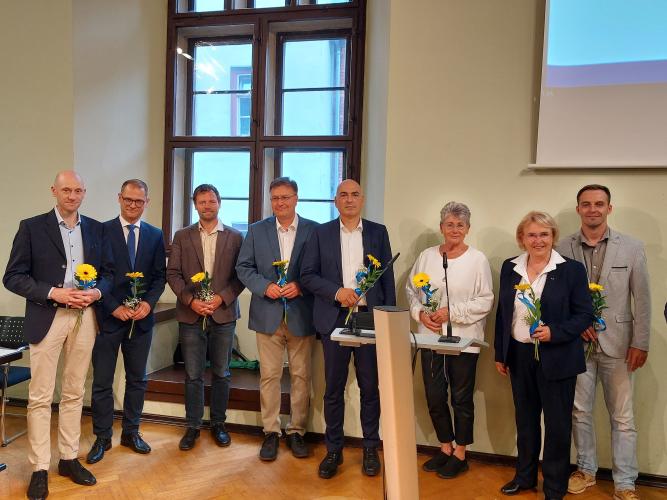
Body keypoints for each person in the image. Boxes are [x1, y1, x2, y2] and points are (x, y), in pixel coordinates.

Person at [3, 171, 106, 499]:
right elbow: (13, 277)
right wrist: (53, 292)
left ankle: (68, 458)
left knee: (75, 392)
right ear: (54, 191)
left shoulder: (96, 229)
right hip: (48, 316)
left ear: (84, 193)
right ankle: (38, 467)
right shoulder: (31, 227)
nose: (72, 196)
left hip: (85, 317)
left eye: (78, 190)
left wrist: (98, 294)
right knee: (40, 396)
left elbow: (111, 274)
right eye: (66, 190)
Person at [557, 185, 650, 500]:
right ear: (578, 208)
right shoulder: (561, 247)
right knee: (579, 412)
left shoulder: (632, 247)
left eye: (599, 204)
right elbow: (557, 298)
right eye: (586, 204)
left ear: (609, 208)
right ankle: (585, 470)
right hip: (577, 344)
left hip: (620, 346)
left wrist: (641, 342)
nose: (592, 209)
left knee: (623, 418)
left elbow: (643, 300)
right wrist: (574, 324)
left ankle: (625, 483)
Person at [301, 179, 396, 480]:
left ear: (362, 199)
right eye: (344, 195)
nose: (350, 199)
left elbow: (387, 280)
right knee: (333, 389)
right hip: (335, 318)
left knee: (370, 387)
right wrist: (336, 292)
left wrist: (387, 321)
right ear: (336, 201)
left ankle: (370, 447)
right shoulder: (321, 233)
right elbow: (307, 275)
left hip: (369, 320)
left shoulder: (378, 232)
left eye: (355, 194)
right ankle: (334, 450)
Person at [495, 211, 593, 500]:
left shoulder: (571, 270)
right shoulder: (509, 267)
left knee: (557, 424)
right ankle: (524, 477)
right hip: (519, 355)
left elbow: (584, 314)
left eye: (544, 234)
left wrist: (555, 332)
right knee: (525, 421)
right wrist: (501, 352)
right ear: (522, 238)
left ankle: (553, 486)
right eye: (532, 235)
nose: (538, 240)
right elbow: (504, 313)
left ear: (553, 237)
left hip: (558, 356)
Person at [405, 202, 493, 479]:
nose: (455, 229)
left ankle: (461, 453)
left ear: (468, 229)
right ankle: (445, 446)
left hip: (464, 340)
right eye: (449, 224)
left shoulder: (477, 259)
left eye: (460, 225)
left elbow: (485, 301)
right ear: (441, 227)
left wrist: (449, 313)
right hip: (430, 337)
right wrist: (421, 313)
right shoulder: (427, 256)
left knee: (461, 398)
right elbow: (412, 291)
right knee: (434, 395)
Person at [236, 177, 319, 461]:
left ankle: (297, 431)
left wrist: (302, 285)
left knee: (300, 376)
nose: (280, 203)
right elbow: (243, 267)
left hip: (301, 314)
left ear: (296, 198)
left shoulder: (314, 230)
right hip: (267, 314)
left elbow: (320, 270)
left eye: (286, 197)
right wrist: (264, 286)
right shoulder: (257, 230)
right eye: (275, 198)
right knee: (269, 376)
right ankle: (270, 431)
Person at [87, 179, 166, 464]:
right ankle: (102, 436)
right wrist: (112, 307)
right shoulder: (100, 230)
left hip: (141, 321)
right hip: (109, 319)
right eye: (128, 200)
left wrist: (147, 303)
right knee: (103, 382)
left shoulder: (155, 235)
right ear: (119, 198)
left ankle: (131, 432)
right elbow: (92, 275)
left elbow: (159, 277)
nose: (133, 205)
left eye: (139, 201)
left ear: (147, 202)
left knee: (137, 380)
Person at [166, 184, 244, 451]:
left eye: (211, 201)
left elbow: (240, 276)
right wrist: (191, 301)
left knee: (222, 373)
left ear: (219, 203)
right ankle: (192, 427)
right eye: (202, 202)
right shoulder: (182, 235)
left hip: (223, 314)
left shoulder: (234, 237)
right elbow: (173, 274)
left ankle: (218, 425)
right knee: (193, 374)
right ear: (195, 204)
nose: (207, 206)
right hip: (191, 315)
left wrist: (221, 298)